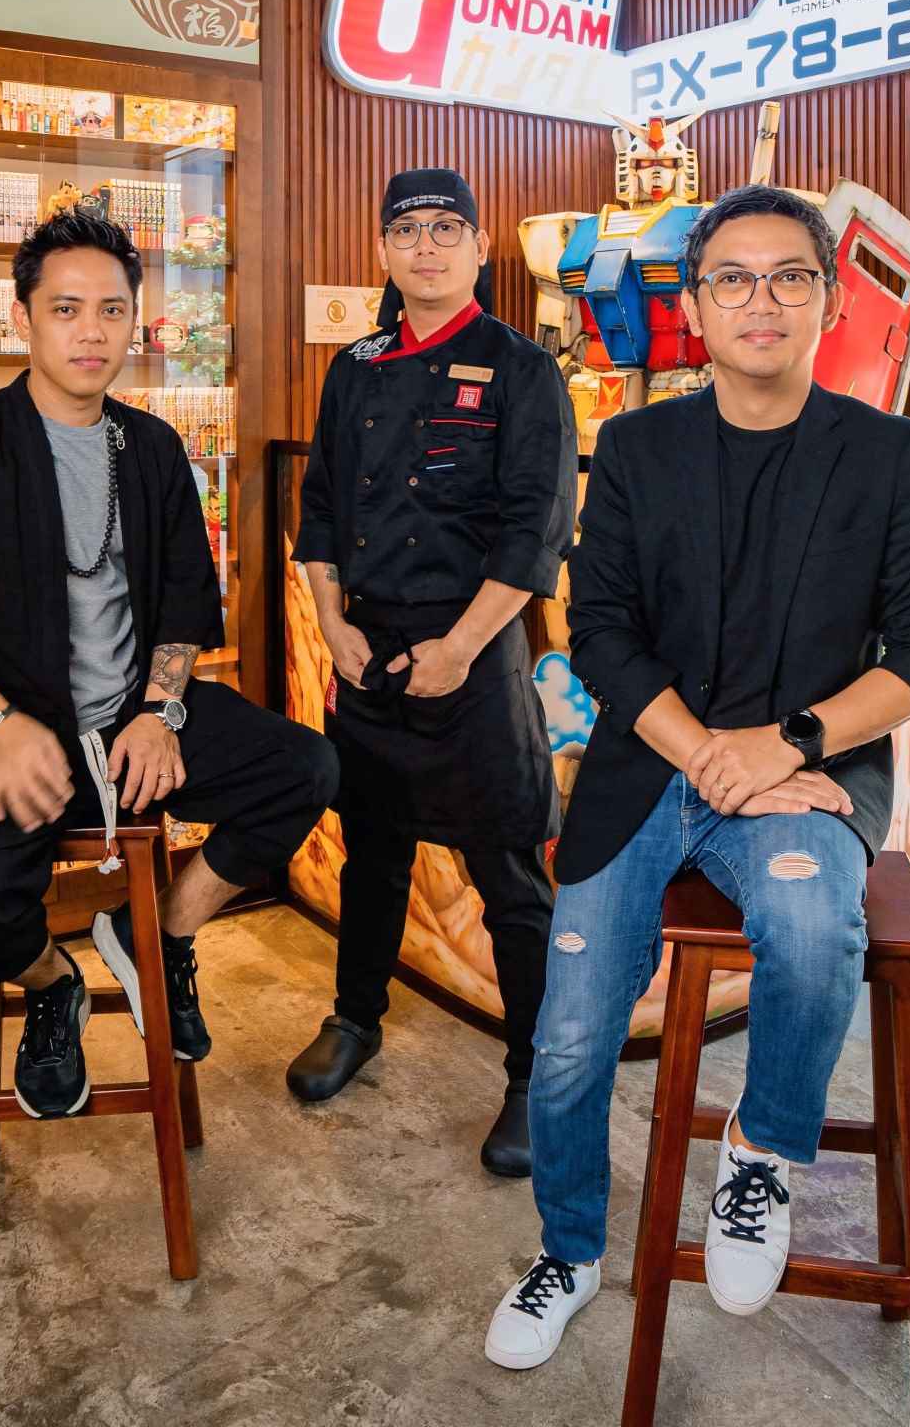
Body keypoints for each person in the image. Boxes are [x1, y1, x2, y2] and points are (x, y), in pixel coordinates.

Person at [484, 182, 910, 1365]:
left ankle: (760, 1151)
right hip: (650, 767)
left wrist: (786, 745)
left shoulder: (887, 454)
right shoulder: (637, 447)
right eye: (734, 279)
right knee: (568, 1035)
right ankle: (569, 1251)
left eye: (790, 276)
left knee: (810, 934)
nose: (763, 300)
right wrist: (709, 753)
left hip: (805, 777)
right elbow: (600, 631)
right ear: (695, 307)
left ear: (828, 300)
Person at [0, 211, 337, 1120]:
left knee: (307, 767)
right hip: (4, 725)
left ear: (134, 321)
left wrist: (161, 711)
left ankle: (156, 931)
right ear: (22, 318)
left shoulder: (154, 447)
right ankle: (54, 984)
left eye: (112, 310)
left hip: (133, 717)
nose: (92, 332)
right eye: (66, 309)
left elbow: (183, 604)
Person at [287, 169, 577, 1176]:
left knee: (510, 876)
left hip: (477, 652)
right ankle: (354, 1018)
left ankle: (536, 1077)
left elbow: (536, 530)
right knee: (372, 852)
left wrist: (459, 648)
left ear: (479, 246)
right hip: (368, 649)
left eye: (446, 228)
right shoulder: (356, 366)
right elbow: (321, 508)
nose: (425, 246)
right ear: (383, 250)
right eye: (406, 230)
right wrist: (332, 623)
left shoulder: (520, 368)